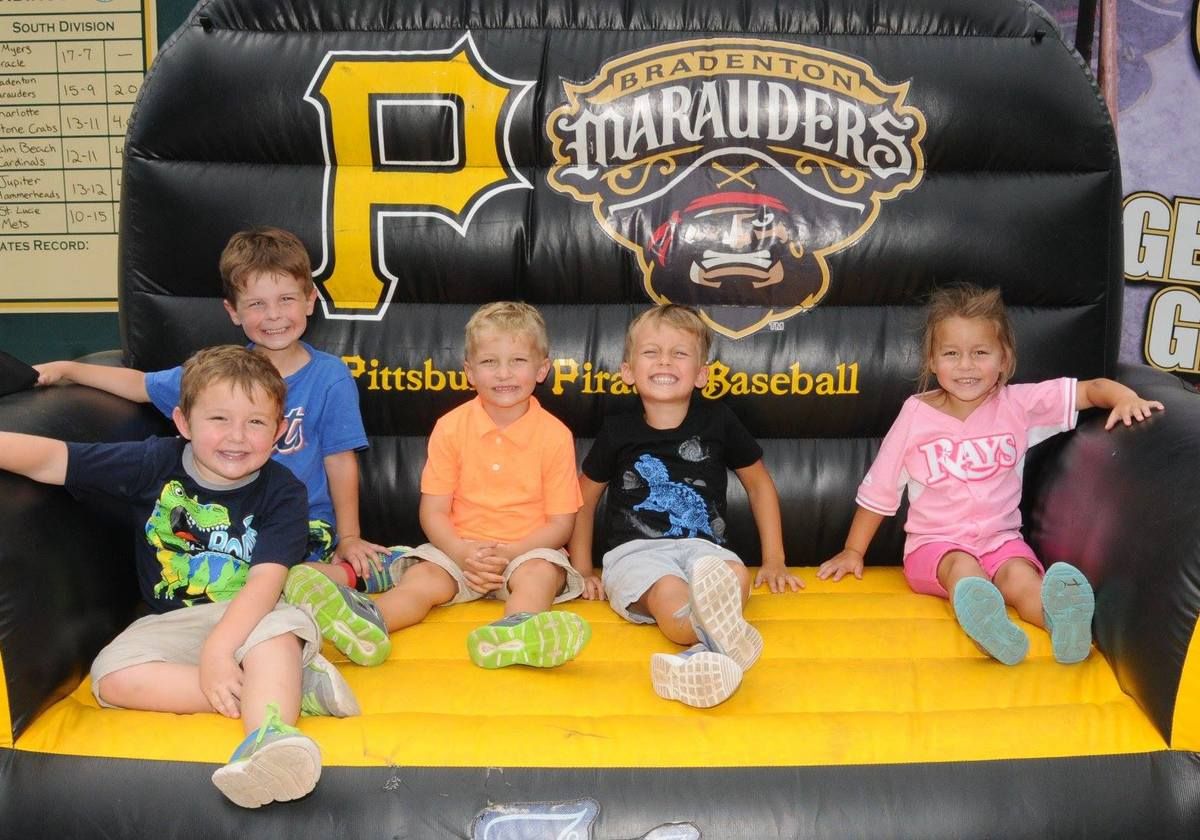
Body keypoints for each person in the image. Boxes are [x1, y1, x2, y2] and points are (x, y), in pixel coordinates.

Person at [0, 345, 361, 808]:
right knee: (111, 679)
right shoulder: (154, 464)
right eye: (219, 420)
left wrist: (220, 649)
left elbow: (264, 584)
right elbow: (53, 460)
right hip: (171, 621)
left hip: (254, 615)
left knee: (279, 634)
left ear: (277, 432)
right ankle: (284, 686)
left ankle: (268, 737)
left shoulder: (283, 492)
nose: (237, 437)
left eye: (256, 422)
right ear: (184, 423)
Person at [32, 227, 398, 598]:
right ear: (233, 311)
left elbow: (340, 460)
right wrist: (69, 369)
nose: (273, 315)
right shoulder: (218, 377)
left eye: (286, 299)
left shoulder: (329, 377)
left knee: (282, 575)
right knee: (226, 575)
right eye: (256, 304)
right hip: (232, 521)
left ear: (309, 300)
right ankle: (312, 596)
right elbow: (141, 386)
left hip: (302, 521)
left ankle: (344, 580)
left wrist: (349, 536)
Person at [818, 284, 1164, 665]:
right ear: (932, 361)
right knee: (963, 570)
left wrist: (1125, 398)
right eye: (951, 354)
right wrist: (853, 551)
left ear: (1005, 359)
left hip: (1002, 541)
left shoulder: (1018, 405)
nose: (966, 366)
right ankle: (986, 623)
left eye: (980, 353)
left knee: (1022, 578)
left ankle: (1064, 626)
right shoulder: (915, 415)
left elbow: (1090, 391)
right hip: (934, 547)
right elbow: (879, 491)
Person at [285, 301, 590, 669]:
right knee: (422, 580)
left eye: (518, 361)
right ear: (469, 372)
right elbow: (432, 511)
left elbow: (560, 524)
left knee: (540, 575)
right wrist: (462, 553)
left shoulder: (556, 436)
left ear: (542, 369)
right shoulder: (450, 427)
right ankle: (369, 623)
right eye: (490, 362)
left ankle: (515, 632)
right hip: (456, 548)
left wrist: (508, 555)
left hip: (527, 551)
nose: (503, 373)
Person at [569, 303, 803, 709]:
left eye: (679, 353)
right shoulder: (618, 430)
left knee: (734, 576)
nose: (664, 360)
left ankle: (694, 664)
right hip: (636, 553)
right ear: (628, 371)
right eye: (651, 352)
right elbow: (583, 499)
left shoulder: (718, 421)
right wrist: (583, 570)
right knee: (669, 595)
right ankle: (708, 639)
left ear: (701, 374)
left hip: (705, 551)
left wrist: (775, 559)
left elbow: (759, 485)